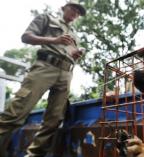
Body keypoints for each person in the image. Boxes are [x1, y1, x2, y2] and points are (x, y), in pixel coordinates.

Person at [0, 1, 86, 156]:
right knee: (17, 111)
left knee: (54, 120)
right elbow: (26, 37)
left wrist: (75, 55)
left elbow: (70, 53)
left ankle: (35, 154)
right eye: (73, 8)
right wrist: (54, 40)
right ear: (64, 8)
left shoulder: (75, 36)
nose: (75, 12)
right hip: (45, 67)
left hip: (66, 73)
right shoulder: (47, 19)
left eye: (78, 12)